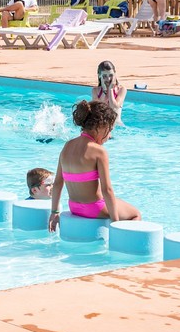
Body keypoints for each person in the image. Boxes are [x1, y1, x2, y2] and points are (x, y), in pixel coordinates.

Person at [48, 100, 140, 233]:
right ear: (101, 126)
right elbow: (107, 190)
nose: (109, 136)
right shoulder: (98, 151)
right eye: (110, 130)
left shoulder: (67, 146)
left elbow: (57, 184)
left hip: (74, 206)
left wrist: (54, 212)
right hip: (95, 208)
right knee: (135, 214)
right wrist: (115, 222)